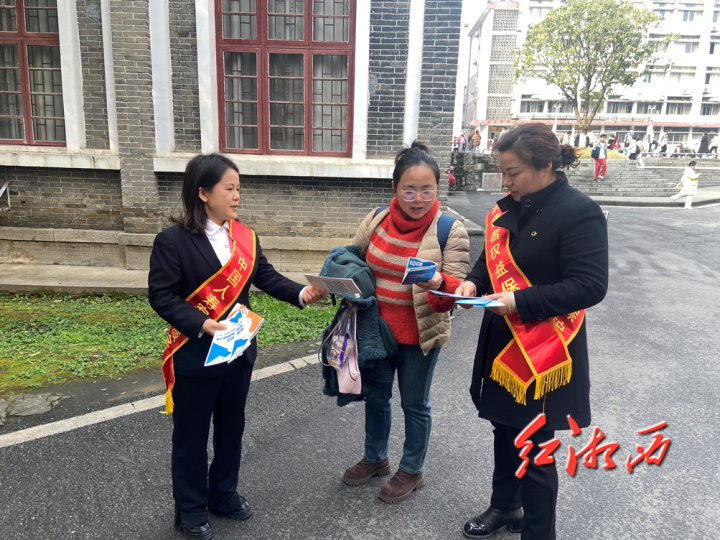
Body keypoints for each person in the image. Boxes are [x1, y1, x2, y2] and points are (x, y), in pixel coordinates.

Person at [148, 154, 326, 540]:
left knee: (231, 430)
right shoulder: (172, 242)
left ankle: (223, 495)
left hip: (237, 352)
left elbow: (266, 276)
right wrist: (202, 323)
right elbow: (161, 295)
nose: (236, 196)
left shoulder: (245, 237)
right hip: (195, 356)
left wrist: (302, 293)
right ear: (203, 193)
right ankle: (190, 510)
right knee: (192, 438)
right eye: (229, 188)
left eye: (238, 188)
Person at [455, 123, 608, 540]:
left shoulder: (579, 211)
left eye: (513, 172)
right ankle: (506, 506)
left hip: (545, 347)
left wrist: (519, 302)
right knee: (504, 428)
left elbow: (590, 286)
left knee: (535, 447)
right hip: (504, 339)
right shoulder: (509, 207)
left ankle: (539, 533)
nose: (506, 182)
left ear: (545, 166)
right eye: (503, 172)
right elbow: (490, 261)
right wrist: (473, 283)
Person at [342, 141, 470, 504]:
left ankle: (412, 470)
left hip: (419, 335)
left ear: (438, 188)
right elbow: (352, 258)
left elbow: (457, 290)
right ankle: (375, 458)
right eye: (409, 190)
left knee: (415, 404)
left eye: (427, 190)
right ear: (395, 188)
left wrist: (439, 282)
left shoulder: (450, 230)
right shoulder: (377, 218)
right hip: (376, 332)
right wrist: (339, 280)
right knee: (376, 398)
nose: (418, 199)